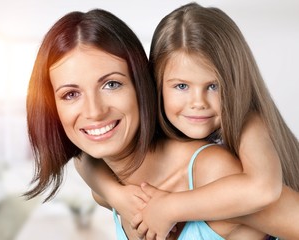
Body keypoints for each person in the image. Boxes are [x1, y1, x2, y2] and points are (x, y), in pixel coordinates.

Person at [24, 8, 299, 240]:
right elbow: (83, 160)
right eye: (71, 94)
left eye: (112, 84)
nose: (94, 112)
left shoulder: (214, 173)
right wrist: (119, 196)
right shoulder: (112, 191)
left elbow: (265, 189)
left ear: (142, 85)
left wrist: (170, 207)